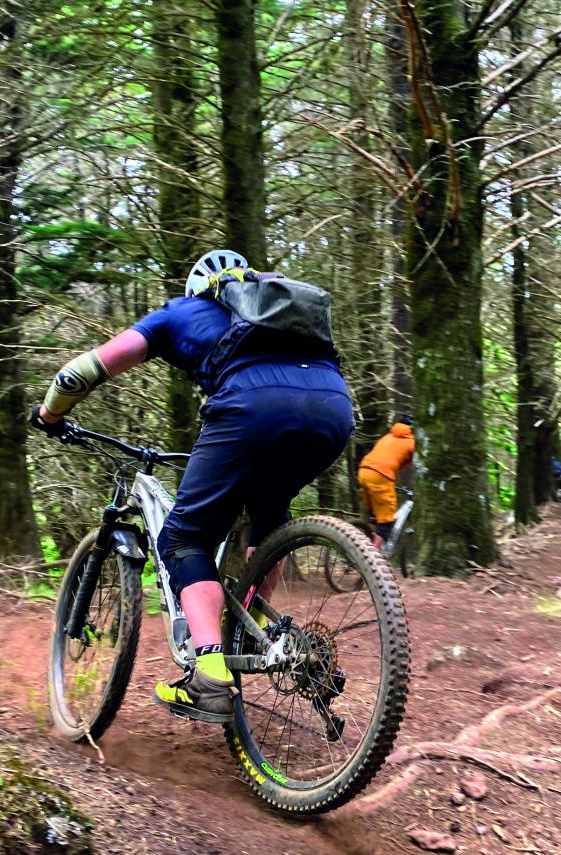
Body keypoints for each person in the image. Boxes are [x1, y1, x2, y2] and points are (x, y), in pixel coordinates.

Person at [30, 249, 354, 724]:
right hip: (333, 409)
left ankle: (208, 674)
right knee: (269, 516)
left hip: (250, 408)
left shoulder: (178, 314)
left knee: (184, 537)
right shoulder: (283, 315)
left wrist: (51, 414)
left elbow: (78, 373)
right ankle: (248, 637)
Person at [357, 417, 415, 550]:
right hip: (380, 475)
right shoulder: (411, 441)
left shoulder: (387, 436)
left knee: (374, 516)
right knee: (386, 522)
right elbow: (410, 463)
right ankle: (372, 559)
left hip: (364, 471)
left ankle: (360, 549)